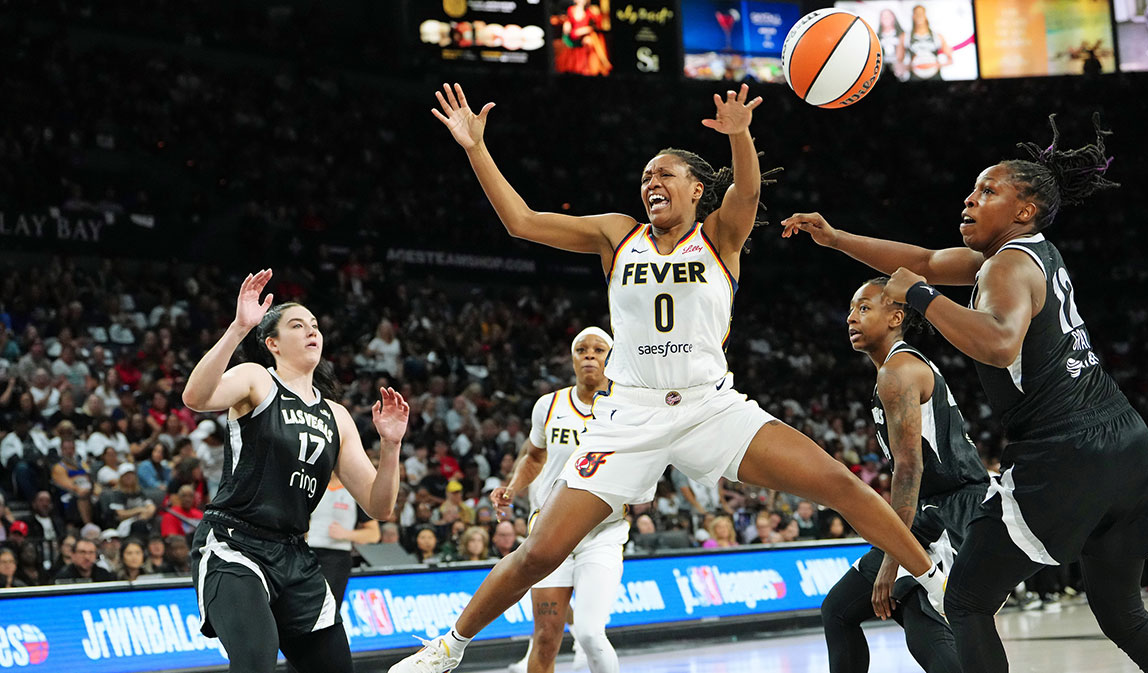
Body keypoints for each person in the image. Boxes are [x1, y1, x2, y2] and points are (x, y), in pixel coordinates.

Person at [391, 82, 945, 673]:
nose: (650, 182)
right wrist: (476, 147)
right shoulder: (615, 233)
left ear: (697, 189)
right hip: (629, 414)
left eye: (665, 174)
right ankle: (448, 648)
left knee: (843, 486)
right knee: (540, 553)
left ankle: (934, 577)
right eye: (645, 177)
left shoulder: (721, 236)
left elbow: (749, 187)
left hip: (711, 408)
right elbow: (522, 222)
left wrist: (739, 134)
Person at [783, 114, 1148, 673]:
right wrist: (835, 239)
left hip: (1066, 448)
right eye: (972, 190)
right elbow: (922, 261)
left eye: (987, 191)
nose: (970, 200)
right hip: (1125, 439)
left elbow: (999, 344)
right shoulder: (1024, 255)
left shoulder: (1006, 265)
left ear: (1023, 211)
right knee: (1122, 613)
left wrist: (923, 298)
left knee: (967, 601)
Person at [181, 269, 410, 673]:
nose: (312, 331)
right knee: (256, 661)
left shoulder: (337, 416)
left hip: (294, 554)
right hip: (235, 543)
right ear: (273, 343)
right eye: (297, 325)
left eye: (315, 325)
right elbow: (196, 397)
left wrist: (391, 446)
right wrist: (238, 328)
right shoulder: (257, 379)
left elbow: (379, 506)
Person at [821, 278, 992, 673]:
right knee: (842, 610)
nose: (851, 317)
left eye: (864, 308)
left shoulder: (898, 372)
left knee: (922, 622)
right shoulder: (897, 368)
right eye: (851, 309)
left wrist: (893, 558)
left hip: (947, 513)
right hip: (931, 512)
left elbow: (910, 467)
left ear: (896, 316)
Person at [497, 327, 626, 673]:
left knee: (589, 633)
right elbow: (535, 456)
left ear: (611, 359)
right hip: (550, 531)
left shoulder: (628, 408)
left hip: (600, 533)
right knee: (544, 638)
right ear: (571, 358)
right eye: (581, 349)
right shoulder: (548, 405)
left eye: (599, 350)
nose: (589, 355)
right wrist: (513, 487)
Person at [307, 471, 381, 615]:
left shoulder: (355, 492)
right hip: (306, 553)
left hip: (337, 557)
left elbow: (374, 534)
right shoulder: (312, 484)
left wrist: (346, 534)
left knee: (327, 610)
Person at [905, 5, 953, 81]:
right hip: (914, 81)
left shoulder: (937, 36)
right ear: (913, 16)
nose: (919, 16)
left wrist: (936, 64)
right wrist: (910, 66)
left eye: (921, 13)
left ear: (925, 15)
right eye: (917, 13)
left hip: (935, 80)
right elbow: (898, 63)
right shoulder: (905, 37)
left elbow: (950, 60)